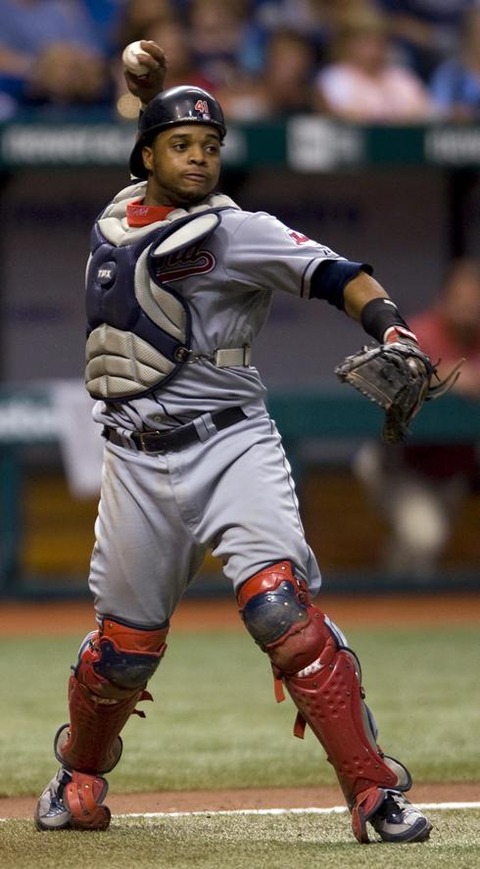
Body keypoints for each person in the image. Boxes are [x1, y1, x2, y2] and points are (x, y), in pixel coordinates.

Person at [34, 39, 432, 845]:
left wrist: (392, 327)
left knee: (281, 608)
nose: (199, 157)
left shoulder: (239, 231)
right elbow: (140, 126)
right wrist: (147, 90)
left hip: (229, 447)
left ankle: (371, 789)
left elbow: (337, 272)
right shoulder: (119, 214)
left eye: (210, 146)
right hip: (135, 457)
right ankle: (78, 775)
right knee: (121, 652)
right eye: (181, 144)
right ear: (147, 155)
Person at [354, 257, 480, 578]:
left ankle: (391, 596)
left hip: (449, 471)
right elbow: (398, 371)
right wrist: (449, 375)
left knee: (421, 547)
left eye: (476, 299)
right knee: (424, 536)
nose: (470, 307)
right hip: (397, 465)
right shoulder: (418, 332)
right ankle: (389, 600)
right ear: (445, 298)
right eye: (463, 298)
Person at [314, 8, 434, 122]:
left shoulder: (401, 76)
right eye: (365, 42)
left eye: (379, 42)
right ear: (347, 45)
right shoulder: (334, 77)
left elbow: (425, 112)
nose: (374, 49)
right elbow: (341, 116)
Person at [429, 6, 480, 121]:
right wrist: (452, 113)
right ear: (468, 35)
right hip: (459, 131)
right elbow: (436, 112)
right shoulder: (450, 74)